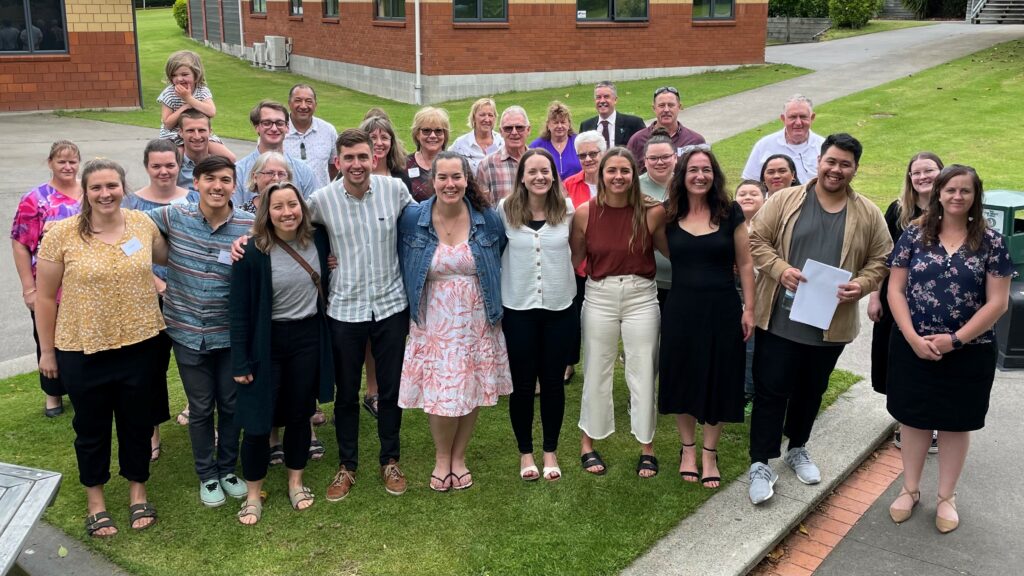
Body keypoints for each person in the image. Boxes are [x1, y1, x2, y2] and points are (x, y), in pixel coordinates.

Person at [747, 133, 891, 505]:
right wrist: (780, 269)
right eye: (831, 161)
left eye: (845, 164)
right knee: (771, 390)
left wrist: (862, 284)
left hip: (830, 325)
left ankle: (797, 447)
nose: (836, 169)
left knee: (811, 391)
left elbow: (882, 259)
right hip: (779, 319)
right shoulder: (785, 199)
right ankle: (760, 462)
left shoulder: (868, 213)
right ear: (819, 161)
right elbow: (756, 240)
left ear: (855, 169)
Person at [35, 159, 167, 537]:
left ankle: (138, 492)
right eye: (96, 187)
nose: (105, 194)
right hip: (83, 348)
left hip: (141, 344)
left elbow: (169, 256)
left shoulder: (142, 225)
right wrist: (47, 352)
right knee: (90, 428)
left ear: (124, 187)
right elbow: (44, 297)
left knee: (137, 424)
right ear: (85, 191)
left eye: (112, 186)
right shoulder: (62, 234)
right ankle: (96, 502)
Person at [885, 165, 1012, 534]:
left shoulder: (991, 242)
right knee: (914, 419)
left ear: (975, 196)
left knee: (957, 422)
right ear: (938, 193)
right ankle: (910, 489)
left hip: (969, 351)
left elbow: (998, 302)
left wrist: (956, 339)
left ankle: (946, 496)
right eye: (951, 189)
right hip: (913, 346)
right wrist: (912, 337)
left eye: (965, 191)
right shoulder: (914, 235)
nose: (957, 196)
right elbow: (895, 289)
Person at [309, 129, 412, 500]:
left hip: (390, 304)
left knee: (390, 389)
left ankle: (390, 460)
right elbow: (289, 228)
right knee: (347, 393)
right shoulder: (321, 200)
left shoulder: (395, 190)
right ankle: (347, 465)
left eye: (362, 157)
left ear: (374, 158)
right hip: (345, 308)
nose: (356, 164)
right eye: (349, 158)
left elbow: (421, 225)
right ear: (338, 161)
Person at [398, 151, 511, 491]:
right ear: (432, 181)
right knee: (440, 391)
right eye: (443, 177)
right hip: (433, 320)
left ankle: (459, 457)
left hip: (477, 317)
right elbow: (401, 256)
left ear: (466, 180)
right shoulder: (413, 218)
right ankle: (441, 457)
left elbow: (498, 253)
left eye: (456, 177)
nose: (450, 184)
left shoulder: (486, 219)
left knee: (470, 386)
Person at [148, 155, 255, 508]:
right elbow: (128, 223)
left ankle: (227, 469)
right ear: (196, 183)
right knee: (201, 405)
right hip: (187, 329)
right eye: (210, 179)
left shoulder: (249, 225)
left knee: (231, 403)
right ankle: (207, 474)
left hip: (229, 333)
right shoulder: (175, 216)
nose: (217, 186)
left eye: (225, 180)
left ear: (234, 186)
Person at [229, 182, 335, 525]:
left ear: (302, 207)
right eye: (278, 206)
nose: (287, 212)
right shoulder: (251, 251)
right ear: (267, 212)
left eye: (293, 204)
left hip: (307, 338)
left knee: (300, 414)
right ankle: (253, 494)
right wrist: (240, 361)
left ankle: (295, 482)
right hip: (266, 342)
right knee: (258, 422)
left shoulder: (318, 239)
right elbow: (239, 310)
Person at [658, 148, 755, 488]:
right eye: (693, 170)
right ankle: (687, 449)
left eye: (706, 170)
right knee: (683, 376)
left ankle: (710, 453)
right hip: (681, 309)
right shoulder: (669, 214)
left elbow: (745, 263)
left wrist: (749, 309)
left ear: (715, 175)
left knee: (719, 377)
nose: (700, 176)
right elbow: (667, 250)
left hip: (723, 308)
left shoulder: (730, 212)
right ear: (682, 175)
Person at [569, 147, 668, 478]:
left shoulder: (652, 212)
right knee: (596, 368)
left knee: (643, 369)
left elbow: (675, 251)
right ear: (601, 174)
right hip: (600, 295)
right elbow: (574, 259)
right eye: (612, 170)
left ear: (633, 175)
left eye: (625, 170)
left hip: (642, 296)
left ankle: (646, 445)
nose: (618, 177)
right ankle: (588, 441)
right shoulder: (585, 212)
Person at [499, 149, 576, 482]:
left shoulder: (567, 210)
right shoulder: (505, 210)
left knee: (554, 382)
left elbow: (580, 251)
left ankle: (550, 451)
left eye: (545, 171)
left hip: (559, 309)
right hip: (518, 310)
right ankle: (526, 452)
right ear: (522, 178)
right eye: (532, 172)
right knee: (522, 384)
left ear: (554, 176)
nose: (539, 177)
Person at [868, 152, 944, 452]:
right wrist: (874, 296)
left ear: (942, 172)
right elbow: (882, 257)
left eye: (929, 170)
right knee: (897, 362)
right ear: (909, 178)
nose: (923, 177)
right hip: (895, 298)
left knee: (931, 359)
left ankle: (933, 422)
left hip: (935, 304)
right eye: (916, 173)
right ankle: (904, 420)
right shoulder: (898, 210)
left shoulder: (952, 209)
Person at [123, 139, 190, 463]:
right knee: (150, 368)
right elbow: (125, 250)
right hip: (147, 299)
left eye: (170, 165)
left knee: (197, 363)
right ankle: (152, 431)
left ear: (179, 165)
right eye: (157, 165)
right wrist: (157, 283)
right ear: (147, 167)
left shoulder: (194, 199)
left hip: (190, 297)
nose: (164, 171)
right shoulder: (131, 205)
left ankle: (203, 418)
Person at [10, 140, 82, 418]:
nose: (68, 167)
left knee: (80, 340)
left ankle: (81, 389)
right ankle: (53, 394)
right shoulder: (35, 199)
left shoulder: (89, 192)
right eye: (61, 161)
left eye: (73, 161)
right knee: (47, 338)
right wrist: (29, 288)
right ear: (50, 162)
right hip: (48, 285)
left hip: (83, 284)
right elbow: (20, 243)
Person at [562, 131, 607, 384]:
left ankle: (601, 363)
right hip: (578, 263)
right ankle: (569, 362)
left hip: (609, 264)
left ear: (603, 153)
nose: (588, 159)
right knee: (573, 316)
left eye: (593, 154)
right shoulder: (569, 185)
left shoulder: (615, 181)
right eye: (582, 155)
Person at [234, 100, 318, 203]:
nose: (274, 128)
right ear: (257, 128)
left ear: (287, 127)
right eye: (267, 123)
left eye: (279, 123)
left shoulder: (304, 171)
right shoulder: (238, 171)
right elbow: (234, 211)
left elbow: (312, 210)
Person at [157, 50, 235, 162]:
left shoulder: (201, 90)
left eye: (184, 74)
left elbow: (211, 112)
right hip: (174, 135)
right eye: (174, 75)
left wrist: (189, 99)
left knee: (230, 158)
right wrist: (185, 107)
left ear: (196, 75)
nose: (179, 79)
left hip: (199, 133)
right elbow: (168, 124)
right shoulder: (169, 93)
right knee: (174, 161)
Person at [742, 95, 824, 184]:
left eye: (803, 117)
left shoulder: (823, 146)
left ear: (812, 118)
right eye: (793, 117)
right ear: (783, 118)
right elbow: (750, 182)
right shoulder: (764, 145)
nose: (798, 122)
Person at [637, 129, 678, 305]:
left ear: (675, 157)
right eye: (653, 158)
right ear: (645, 161)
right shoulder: (633, 189)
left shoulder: (688, 187)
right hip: (646, 280)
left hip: (682, 277)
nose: (659, 162)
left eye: (665, 157)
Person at [735, 179, 767, 403]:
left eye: (754, 194)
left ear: (765, 199)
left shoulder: (768, 227)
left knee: (751, 344)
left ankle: (749, 389)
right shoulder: (728, 225)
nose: (747, 197)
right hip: (733, 292)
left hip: (760, 292)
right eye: (742, 193)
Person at [626, 86, 706, 172]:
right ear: (654, 108)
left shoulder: (695, 141)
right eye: (661, 105)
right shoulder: (637, 140)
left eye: (671, 105)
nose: (666, 110)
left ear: (679, 107)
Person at [284, 84, 339, 189]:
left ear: (315, 105)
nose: (303, 106)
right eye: (298, 101)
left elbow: (334, 165)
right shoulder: (278, 131)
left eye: (309, 101)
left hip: (320, 197)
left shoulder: (328, 131)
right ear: (289, 104)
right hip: (288, 198)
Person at [477, 106, 531, 204]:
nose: (514, 132)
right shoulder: (486, 166)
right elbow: (482, 207)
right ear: (501, 132)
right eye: (508, 128)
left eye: (519, 127)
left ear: (528, 130)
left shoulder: (541, 161)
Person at [580, 81, 646, 149]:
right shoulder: (586, 126)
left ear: (615, 100)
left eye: (606, 97)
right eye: (598, 97)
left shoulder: (634, 124)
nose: (602, 101)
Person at [406, 106, 451, 201]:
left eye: (438, 131)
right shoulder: (404, 165)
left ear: (445, 134)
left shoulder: (455, 163)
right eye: (426, 130)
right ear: (417, 134)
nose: (433, 135)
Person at [450, 97, 504, 174]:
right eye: (482, 115)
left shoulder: (502, 142)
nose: (487, 119)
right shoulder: (460, 144)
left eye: (490, 115)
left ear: (495, 118)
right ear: (474, 118)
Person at [529, 101, 581, 180]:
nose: (559, 126)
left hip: (576, 186)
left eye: (563, 122)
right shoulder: (536, 146)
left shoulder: (579, 143)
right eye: (556, 123)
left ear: (569, 124)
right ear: (548, 125)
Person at [176, 110, 214, 194]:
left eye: (201, 130)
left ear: (210, 132)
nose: (197, 136)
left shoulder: (220, 166)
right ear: (181, 132)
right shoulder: (172, 168)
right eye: (190, 130)